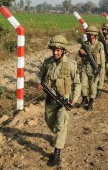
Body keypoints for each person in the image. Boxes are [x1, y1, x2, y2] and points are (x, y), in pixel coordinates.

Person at [36, 35, 81, 166]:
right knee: (51, 123)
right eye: (54, 50)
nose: (55, 52)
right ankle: (58, 136)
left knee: (61, 124)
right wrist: (38, 83)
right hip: (50, 100)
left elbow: (77, 84)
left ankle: (57, 154)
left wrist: (73, 101)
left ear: (63, 50)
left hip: (64, 101)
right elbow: (40, 75)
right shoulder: (47, 63)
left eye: (58, 50)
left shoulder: (71, 65)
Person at [79, 25, 105, 110]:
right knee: (83, 84)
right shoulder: (85, 44)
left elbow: (102, 59)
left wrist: (102, 69)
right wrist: (81, 52)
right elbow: (80, 53)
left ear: (95, 35)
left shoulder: (99, 45)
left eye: (91, 34)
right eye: (88, 34)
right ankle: (84, 99)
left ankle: (91, 101)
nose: (89, 36)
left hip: (94, 69)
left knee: (93, 86)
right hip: (84, 67)